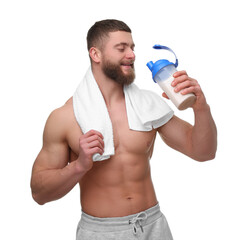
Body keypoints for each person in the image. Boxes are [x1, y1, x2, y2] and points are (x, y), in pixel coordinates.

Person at [30, 19, 217, 240]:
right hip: (102, 232)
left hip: (154, 226)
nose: (132, 55)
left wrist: (201, 107)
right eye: (122, 48)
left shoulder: (149, 106)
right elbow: (39, 193)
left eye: (132, 47)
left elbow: (203, 152)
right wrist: (79, 166)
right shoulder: (65, 118)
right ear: (95, 54)